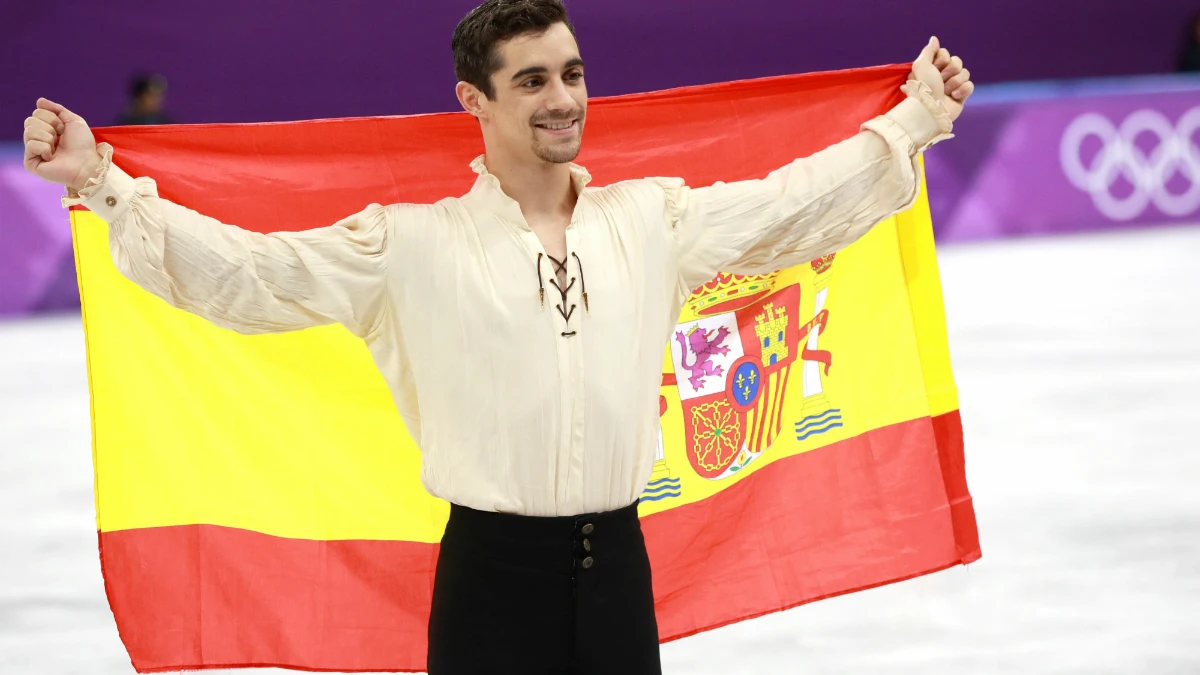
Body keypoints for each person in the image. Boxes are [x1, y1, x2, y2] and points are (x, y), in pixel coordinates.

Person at [21, 1, 973, 673]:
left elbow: (790, 205)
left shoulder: (655, 220)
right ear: (474, 101)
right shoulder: (408, 245)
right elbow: (254, 274)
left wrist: (915, 121)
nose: (561, 98)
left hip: (618, 578)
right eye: (531, 81)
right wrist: (104, 183)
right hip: (488, 586)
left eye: (571, 74)